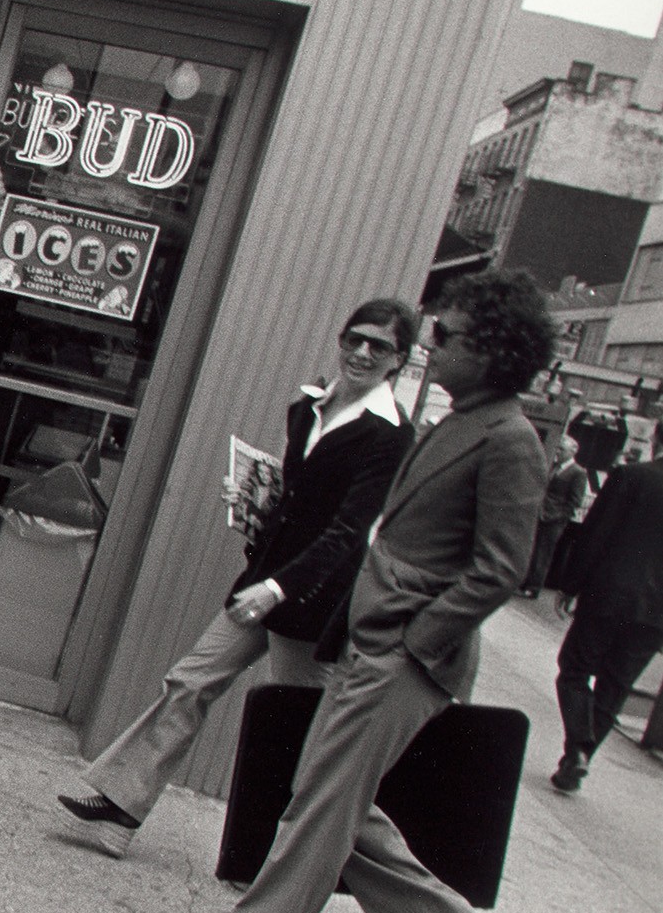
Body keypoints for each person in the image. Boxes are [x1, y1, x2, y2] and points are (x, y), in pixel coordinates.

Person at [171, 269, 552, 913]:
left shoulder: (509, 441)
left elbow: (500, 568)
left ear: (495, 349)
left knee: (320, 801)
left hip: (405, 655)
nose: (428, 348)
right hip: (374, 641)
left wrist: (417, 639)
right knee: (326, 788)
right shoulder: (460, 421)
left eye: (445, 336)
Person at [58, 300, 418, 855]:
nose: (363, 353)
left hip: (311, 600)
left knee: (317, 747)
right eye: (356, 339)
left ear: (399, 361)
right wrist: (255, 505)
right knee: (190, 683)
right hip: (262, 581)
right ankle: (120, 810)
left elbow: (348, 531)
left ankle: (420, 895)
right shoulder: (308, 407)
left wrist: (277, 588)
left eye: (381, 347)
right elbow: (297, 499)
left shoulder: (390, 435)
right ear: (341, 339)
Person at [547, 454, 663, 792]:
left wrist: (571, 585)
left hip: (609, 594)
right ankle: (579, 758)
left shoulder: (631, 476)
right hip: (656, 614)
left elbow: (597, 532)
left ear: (657, 438)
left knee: (574, 669)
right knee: (616, 685)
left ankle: (577, 748)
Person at [518, 434, 590, 597]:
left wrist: (558, 516)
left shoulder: (578, 473)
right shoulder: (556, 466)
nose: (558, 451)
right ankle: (525, 582)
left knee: (543, 553)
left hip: (555, 520)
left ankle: (534, 587)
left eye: (562, 449)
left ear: (573, 452)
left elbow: (575, 501)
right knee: (533, 549)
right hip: (541, 514)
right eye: (558, 448)